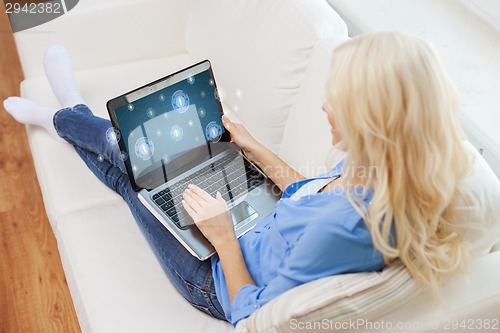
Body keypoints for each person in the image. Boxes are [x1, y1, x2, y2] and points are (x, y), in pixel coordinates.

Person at [4, 32, 499, 326]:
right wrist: (254, 147)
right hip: (251, 224)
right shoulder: (390, 169)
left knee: (131, 171)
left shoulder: (347, 231)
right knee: (145, 168)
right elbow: (313, 196)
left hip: (215, 275)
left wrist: (221, 237)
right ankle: (72, 111)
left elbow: (253, 313)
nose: (325, 107)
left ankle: (61, 115)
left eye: (338, 101)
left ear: (372, 120)